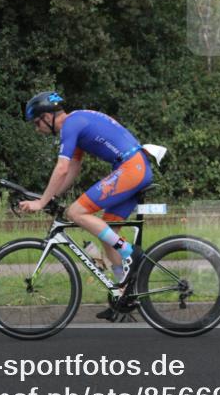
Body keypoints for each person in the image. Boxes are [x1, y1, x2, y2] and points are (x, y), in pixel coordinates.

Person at [18, 91, 150, 321]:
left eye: (36, 122)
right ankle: (123, 296)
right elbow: (72, 170)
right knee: (107, 232)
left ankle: (130, 252)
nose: (36, 128)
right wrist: (52, 196)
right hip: (134, 168)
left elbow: (61, 169)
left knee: (76, 212)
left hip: (131, 169)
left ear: (48, 117)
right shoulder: (76, 124)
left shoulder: (70, 125)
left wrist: (42, 201)